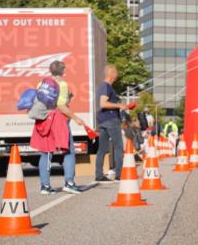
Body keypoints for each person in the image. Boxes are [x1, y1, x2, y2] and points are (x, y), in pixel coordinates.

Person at [31, 60, 90, 195]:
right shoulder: (62, 84)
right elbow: (61, 106)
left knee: (46, 152)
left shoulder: (41, 83)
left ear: (51, 70)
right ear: (63, 71)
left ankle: (45, 186)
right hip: (58, 119)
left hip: (43, 119)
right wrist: (76, 118)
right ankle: (69, 183)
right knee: (68, 151)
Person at [94, 65, 130, 182]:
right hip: (111, 120)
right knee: (118, 147)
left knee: (102, 149)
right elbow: (103, 103)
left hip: (102, 121)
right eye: (115, 72)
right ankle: (119, 174)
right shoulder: (106, 87)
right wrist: (119, 105)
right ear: (110, 74)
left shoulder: (101, 87)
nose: (117, 74)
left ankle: (99, 175)